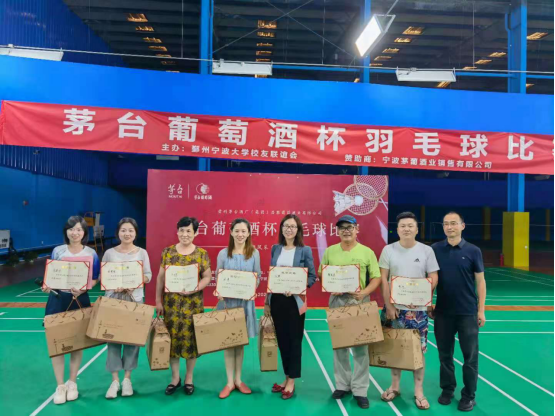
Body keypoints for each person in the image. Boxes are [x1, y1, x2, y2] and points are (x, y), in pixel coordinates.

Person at [319, 215, 381, 410]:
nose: (346, 230)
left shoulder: (367, 252)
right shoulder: (330, 251)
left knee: (361, 348)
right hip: (337, 301)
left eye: (350, 227)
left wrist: (364, 293)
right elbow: (322, 273)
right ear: (337, 231)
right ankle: (342, 385)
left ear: (357, 229)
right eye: (342, 227)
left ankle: (360, 390)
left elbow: (376, 277)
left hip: (359, 302)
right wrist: (331, 285)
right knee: (340, 347)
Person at [380, 212, 439, 411]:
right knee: (394, 349)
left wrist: (423, 296)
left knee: (418, 352)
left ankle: (419, 391)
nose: (406, 229)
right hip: (395, 310)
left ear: (416, 229)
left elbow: (433, 276)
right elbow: (384, 279)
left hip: (419, 311)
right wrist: (389, 305)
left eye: (410, 226)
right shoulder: (388, 250)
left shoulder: (427, 251)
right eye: (402, 226)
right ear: (397, 230)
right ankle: (395, 386)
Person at [430, 212, 486, 412]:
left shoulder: (473, 251)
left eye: (453, 223)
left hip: (467, 313)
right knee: (444, 355)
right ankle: (447, 390)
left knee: (470, 357)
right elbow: (431, 278)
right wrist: (429, 303)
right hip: (443, 312)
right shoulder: (435, 249)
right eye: (446, 224)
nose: (449, 227)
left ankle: (469, 395)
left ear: (463, 226)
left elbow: (480, 281)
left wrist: (481, 310)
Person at [42, 216, 100, 405]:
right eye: (71, 229)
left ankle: (72, 382)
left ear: (84, 233)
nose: (75, 233)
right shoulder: (58, 251)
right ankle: (60, 385)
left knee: (77, 342)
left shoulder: (91, 253)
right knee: (56, 342)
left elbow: (95, 278)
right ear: (66, 231)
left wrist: (83, 289)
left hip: (79, 299)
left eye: (79, 229)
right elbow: (52, 274)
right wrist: (47, 285)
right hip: (58, 299)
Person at [155, 217, 212, 397]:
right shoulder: (168, 252)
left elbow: (207, 277)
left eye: (189, 231)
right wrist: (158, 301)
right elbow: (160, 278)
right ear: (177, 231)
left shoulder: (201, 253)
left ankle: (189, 378)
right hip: (171, 306)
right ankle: (174, 378)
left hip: (193, 305)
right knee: (171, 340)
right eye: (181, 230)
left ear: (195, 233)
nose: (185, 234)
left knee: (191, 341)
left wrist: (196, 287)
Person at [266, 214, 317, 400]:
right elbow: (272, 276)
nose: (289, 229)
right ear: (281, 229)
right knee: (282, 341)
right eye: (286, 226)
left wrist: (297, 287)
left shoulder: (304, 250)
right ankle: (286, 377)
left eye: (293, 226)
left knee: (294, 341)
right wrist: (267, 302)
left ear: (298, 230)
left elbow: (312, 277)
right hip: (277, 301)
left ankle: (292, 381)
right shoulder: (276, 249)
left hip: (295, 302)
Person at [102, 218, 152, 399]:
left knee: (132, 341)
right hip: (113, 301)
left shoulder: (142, 253)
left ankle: (127, 380)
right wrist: (112, 285)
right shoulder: (109, 253)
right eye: (123, 230)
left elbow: (148, 275)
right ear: (118, 232)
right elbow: (104, 275)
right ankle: (115, 381)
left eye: (131, 230)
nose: (127, 233)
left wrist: (136, 282)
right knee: (113, 340)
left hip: (134, 300)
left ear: (135, 233)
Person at [215, 219, 261, 399]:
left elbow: (258, 276)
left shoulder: (254, 253)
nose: (240, 234)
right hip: (228, 304)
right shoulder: (223, 253)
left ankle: (238, 380)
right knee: (228, 343)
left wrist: (252, 288)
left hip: (245, 304)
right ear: (231, 232)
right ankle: (229, 383)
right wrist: (219, 291)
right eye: (237, 231)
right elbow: (218, 276)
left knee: (240, 343)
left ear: (249, 233)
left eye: (244, 231)